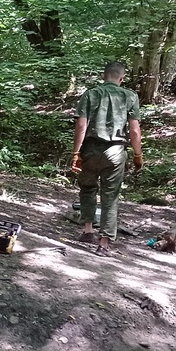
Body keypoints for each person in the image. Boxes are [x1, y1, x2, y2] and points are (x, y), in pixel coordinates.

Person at [70, 61, 144, 256]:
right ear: (122, 78)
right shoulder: (130, 96)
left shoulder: (90, 94)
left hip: (90, 149)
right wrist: (138, 154)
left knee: (87, 188)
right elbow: (135, 130)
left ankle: (87, 231)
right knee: (110, 197)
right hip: (116, 152)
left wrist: (76, 153)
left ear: (104, 76)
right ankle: (103, 243)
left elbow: (81, 126)